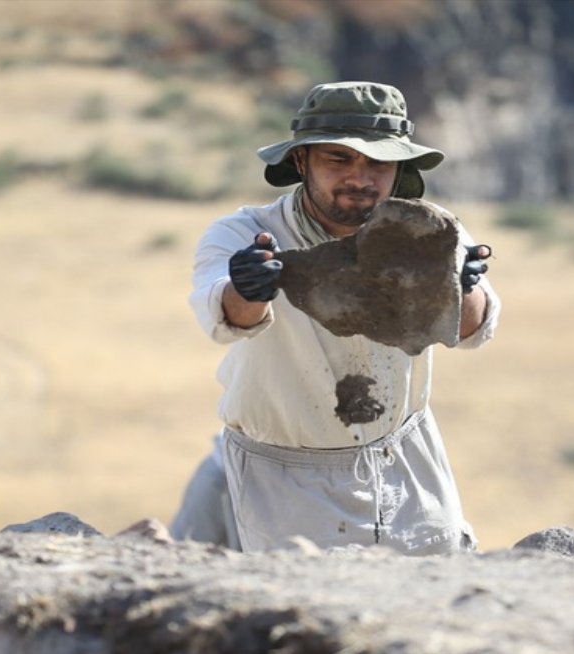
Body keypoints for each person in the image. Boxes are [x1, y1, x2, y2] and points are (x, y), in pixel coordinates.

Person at [169, 81, 500, 555]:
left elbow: (471, 331)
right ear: (301, 161)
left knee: (431, 603)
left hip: (406, 459)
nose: (360, 178)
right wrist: (249, 286)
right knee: (309, 611)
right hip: (287, 479)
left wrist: (460, 284)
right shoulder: (246, 233)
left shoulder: (427, 229)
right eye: (338, 160)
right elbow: (224, 317)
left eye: (379, 162)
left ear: (400, 168)